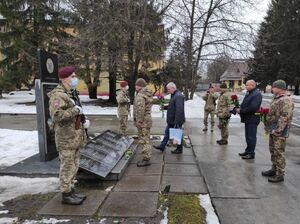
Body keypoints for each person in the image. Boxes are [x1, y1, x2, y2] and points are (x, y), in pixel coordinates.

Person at [48, 66, 90, 205]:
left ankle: (71, 191)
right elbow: (57, 116)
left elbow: (76, 113)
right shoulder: (58, 95)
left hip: (75, 138)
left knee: (74, 166)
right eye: (72, 76)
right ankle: (66, 195)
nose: (75, 78)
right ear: (64, 78)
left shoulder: (70, 93)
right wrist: (74, 111)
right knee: (67, 167)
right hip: (66, 140)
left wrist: (83, 121)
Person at [262, 80, 294, 183]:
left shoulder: (286, 100)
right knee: (273, 150)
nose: (272, 89)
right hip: (273, 129)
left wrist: (278, 130)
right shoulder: (276, 98)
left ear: (280, 88)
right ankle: (274, 169)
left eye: (273, 87)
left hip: (279, 131)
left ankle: (280, 174)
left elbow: (285, 116)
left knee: (279, 152)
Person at [154, 82, 185, 154]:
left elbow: (179, 110)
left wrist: (177, 122)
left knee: (177, 135)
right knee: (167, 133)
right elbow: (172, 106)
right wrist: (165, 107)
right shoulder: (174, 95)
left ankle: (179, 149)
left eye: (168, 89)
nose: (168, 91)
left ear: (173, 88)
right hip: (172, 120)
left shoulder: (178, 96)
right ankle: (162, 146)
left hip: (175, 120)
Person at [236, 80, 262, 160]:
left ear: (253, 85)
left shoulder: (257, 94)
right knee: (248, 136)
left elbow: (253, 107)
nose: (246, 86)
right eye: (246, 85)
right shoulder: (250, 93)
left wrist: (241, 111)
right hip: (248, 118)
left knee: (251, 137)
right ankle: (248, 151)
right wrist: (240, 108)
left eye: (248, 85)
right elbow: (246, 104)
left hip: (252, 119)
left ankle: (251, 153)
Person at [133, 78, 153, 167]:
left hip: (143, 121)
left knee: (144, 139)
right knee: (146, 138)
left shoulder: (141, 95)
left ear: (139, 86)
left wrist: (139, 122)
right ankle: (146, 157)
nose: (135, 87)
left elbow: (140, 110)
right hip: (147, 119)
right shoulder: (146, 93)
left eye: (136, 85)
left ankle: (146, 159)